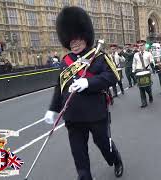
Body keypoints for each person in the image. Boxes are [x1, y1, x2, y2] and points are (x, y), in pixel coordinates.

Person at [42, 7, 123, 180]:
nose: (74, 43)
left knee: (103, 144)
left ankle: (115, 159)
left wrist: (89, 82)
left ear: (85, 37)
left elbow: (113, 76)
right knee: (78, 153)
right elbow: (60, 87)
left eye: (77, 38)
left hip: (95, 112)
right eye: (70, 40)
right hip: (73, 116)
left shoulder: (99, 56)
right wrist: (53, 108)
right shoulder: (66, 62)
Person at [132, 40, 154, 108]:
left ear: (144, 46)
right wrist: (133, 70)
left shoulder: (148, 54)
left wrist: (152, 64)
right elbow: (134, 63)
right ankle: (144, 102)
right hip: (139, 71)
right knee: (141, 87)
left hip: (146, 71)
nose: (140, 47)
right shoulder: (136, 55)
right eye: (139, 46)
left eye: (141, 45)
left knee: (147, 87)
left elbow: (152, 61)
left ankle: (150, 94)